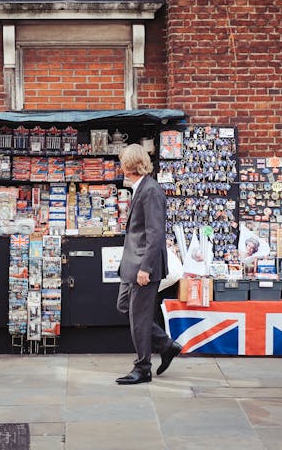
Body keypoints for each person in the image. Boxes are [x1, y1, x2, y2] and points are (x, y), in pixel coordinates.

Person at [115, 144, 180, 385]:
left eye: (122, 163)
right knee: (124, 307)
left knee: (140, 317)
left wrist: (146, 268)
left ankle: (143, 368)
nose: (120, 167)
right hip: (132, 265)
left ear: (130, 165)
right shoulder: (140, 188)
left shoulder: (151, 191)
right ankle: (165, 344)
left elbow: (155, 234)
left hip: (143, 266)